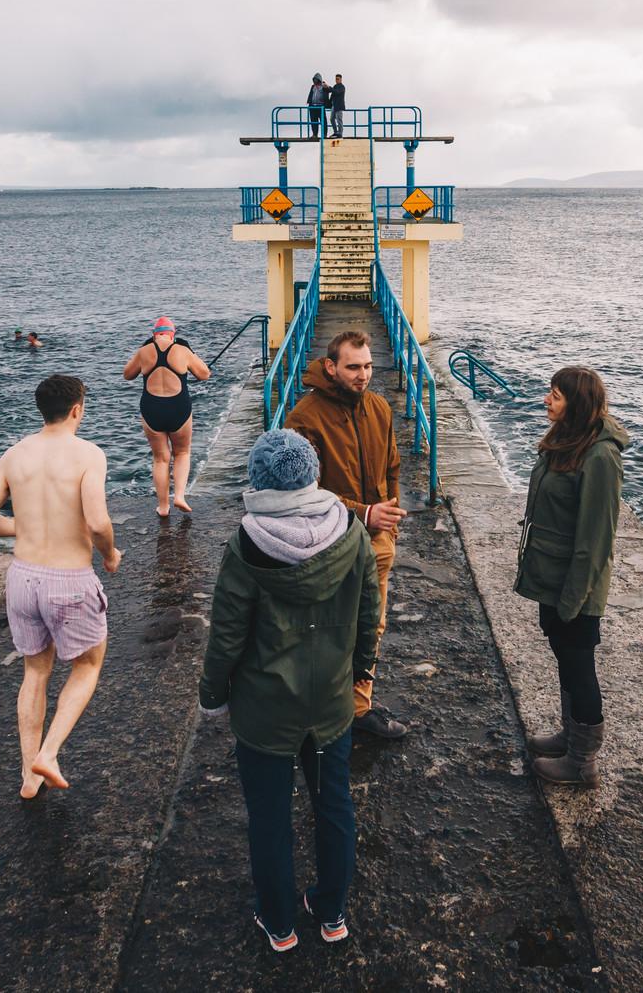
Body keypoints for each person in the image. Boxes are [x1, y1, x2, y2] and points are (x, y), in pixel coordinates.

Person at [200, 430, 380, 953]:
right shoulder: (351, 532)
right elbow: (370, 614)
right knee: (334, 806)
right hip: (330, 702)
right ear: (313, 474)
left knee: (270, 817)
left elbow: (227, 632)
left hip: (264, 712)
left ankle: (278, 923)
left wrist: (213, 694)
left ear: (259, 480)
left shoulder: (247, 543)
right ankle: (331, 912)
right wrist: (361, 672)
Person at [0, 374, 118, 798]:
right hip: (68, 580)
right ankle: (48, 754)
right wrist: (108, 554)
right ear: (77, 410)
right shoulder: (89, 454)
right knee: (87, 665)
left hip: (23, 577)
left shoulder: (15, 455)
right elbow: (96, 521)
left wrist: (24, 527)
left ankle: (28, 777)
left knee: (35, 671)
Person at [287, 330, 408, 739]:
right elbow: (302, 492)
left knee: (372, 625)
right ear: (331, 366)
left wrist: (389, 516)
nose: (363, 375)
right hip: (330, 542)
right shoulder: (305, 416)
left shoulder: (379, 408)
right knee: (332, 628)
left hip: (376, 541)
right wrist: (364, 512)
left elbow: (392, 466)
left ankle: (358, 707)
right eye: (353, 367)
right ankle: (335, 708)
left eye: (369, 366)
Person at [514, 366, 627, 786]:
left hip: (574, 586)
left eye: (556, 395)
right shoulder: (568, 441)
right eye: (549, 392)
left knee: (580, 667)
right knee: (566, 659)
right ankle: (569, 735)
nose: (547, 400)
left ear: (576, 404)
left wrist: (572, 599)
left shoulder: (600, 456)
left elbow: (596, 540)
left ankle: (582, 763)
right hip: (553, 576)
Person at [123, 316, 210, 516]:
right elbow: (204, 374)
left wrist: (144, 356)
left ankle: (163, 507)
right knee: (182, 453)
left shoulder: (144, 351)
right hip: (178, 406)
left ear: (154, 335)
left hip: (151, 408)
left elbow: (127, 375)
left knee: (160, 458)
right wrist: (190, 356)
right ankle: (179, 496)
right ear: (173, 334)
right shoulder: (182, 350)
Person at [305, 73, 328, 138]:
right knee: (313, 121)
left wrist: (327, 86)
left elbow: (329, 90)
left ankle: (324, 134)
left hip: (320, 106)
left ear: (319, 79)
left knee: (323, 121)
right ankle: (315, 134)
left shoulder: (323, 86)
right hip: (312, 106)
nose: (315, 81)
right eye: (314, 79)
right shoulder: (313, 86)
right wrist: (309, 101)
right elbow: (311, 94)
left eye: (316, 79)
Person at [328, 73, 346, 137]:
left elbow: (337, 92)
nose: (336, 80)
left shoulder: (342, 87)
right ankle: (336, 132)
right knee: (331, 119)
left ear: (341, 79)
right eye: (336, 79)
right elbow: (332, 93)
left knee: (339, 119)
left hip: (339, 106)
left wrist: (329, 87)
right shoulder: (335, 86)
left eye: (338, 79)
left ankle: (340, 133)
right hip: (334, 106)